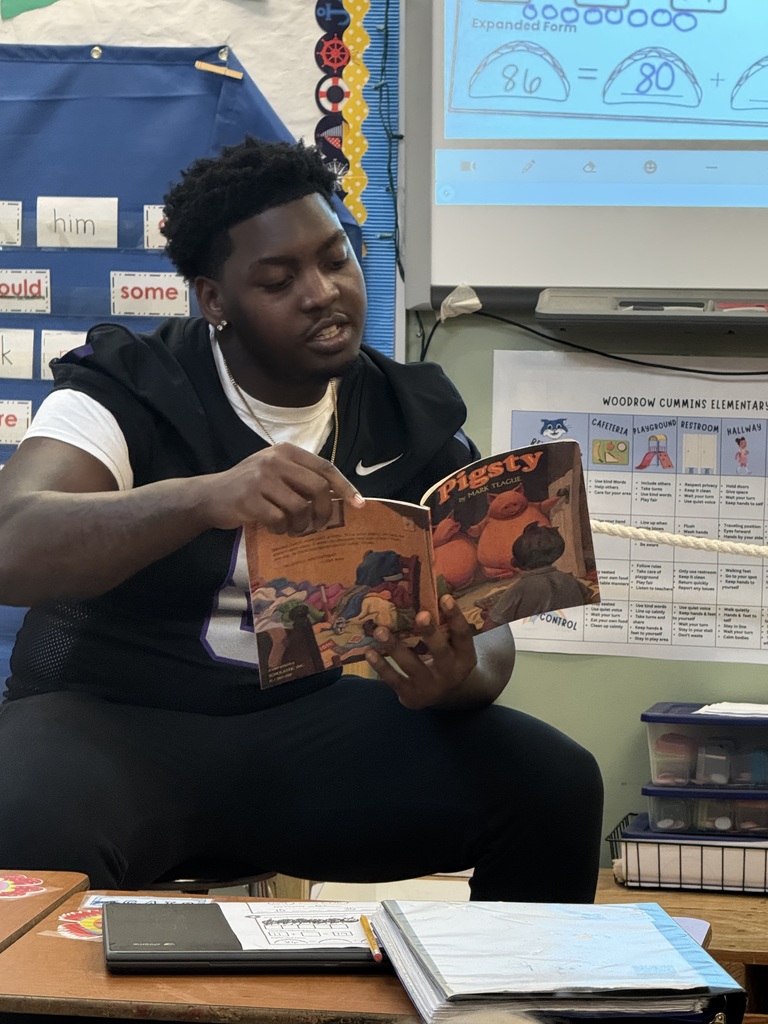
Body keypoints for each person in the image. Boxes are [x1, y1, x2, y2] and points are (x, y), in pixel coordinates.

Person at [0, 137, 603, 899]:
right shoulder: (130, 386)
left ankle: (511, 981)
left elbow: (487, 627)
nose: (322, 293)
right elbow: (12, 542)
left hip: (297, 722)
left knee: (554, 784)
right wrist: (203, 496)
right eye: (279, 280)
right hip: (106, 718)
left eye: (335, 259)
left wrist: (457, 678)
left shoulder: (407, 415)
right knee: (21, 824)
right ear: (214, 299)